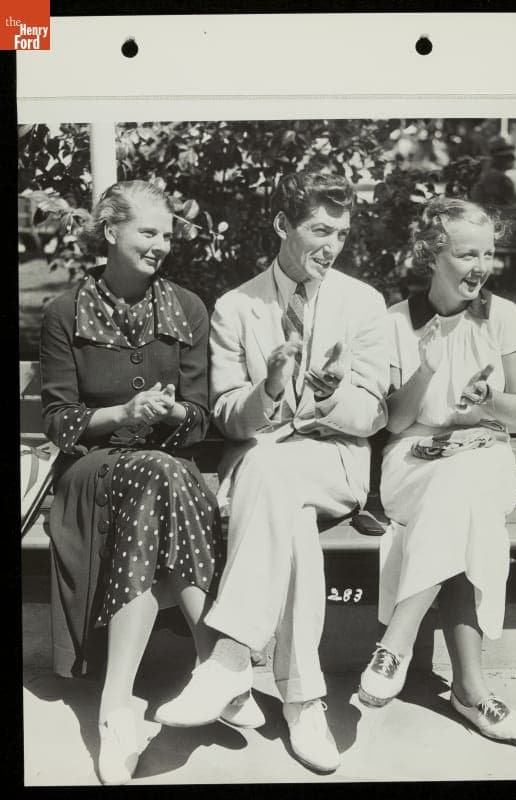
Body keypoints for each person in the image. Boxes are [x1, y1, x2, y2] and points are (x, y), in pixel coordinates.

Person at [155, 170, 390, 772]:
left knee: (273, 471)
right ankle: (305, 701)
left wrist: (334, 394)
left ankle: (229, 659)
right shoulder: (237, 306)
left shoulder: (361, 302)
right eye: (319, 229)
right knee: (286, 516)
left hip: (333, 464)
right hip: (265, 474)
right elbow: (230, 419)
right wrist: (272, 387)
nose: (331, 245)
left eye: (340, 232)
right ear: (284, 225)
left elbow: (374, 413)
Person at [40, 180, 235, 785]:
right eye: (148, 232)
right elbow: (58, 420)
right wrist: (123, 416)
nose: (161, 245)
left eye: (168, 234)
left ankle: (115, 711)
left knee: (163, 474)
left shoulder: (188, 309)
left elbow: (199, 418)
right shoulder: (63, 312)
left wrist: (172, 413)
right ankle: (221, 664)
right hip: (91, 472)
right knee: (162, 473)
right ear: (110, 232)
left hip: (165, 475)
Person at [358, 197, 516, 746]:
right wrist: (425, 369)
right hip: (413, 462)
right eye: (466, 254)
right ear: (431, 256)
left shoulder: (501, 315)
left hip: (486, 454)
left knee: (463, 488)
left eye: (487, 253)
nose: (480, 266)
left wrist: (486, 402)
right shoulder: (394, 322)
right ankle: (472, 692)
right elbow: (397, 422)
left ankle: (398, 639)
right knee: (464, 511)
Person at [471, 135, 516, 207]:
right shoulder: (497, 177)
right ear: (499, 159)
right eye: (509, 156)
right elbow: (498, 206)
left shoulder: (491, 175)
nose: (514, 159)